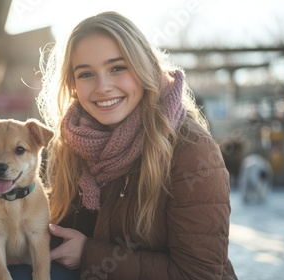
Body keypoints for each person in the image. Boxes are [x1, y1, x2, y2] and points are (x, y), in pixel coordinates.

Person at [35, 11, 238, 279]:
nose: (103, 87)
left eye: (118, 68)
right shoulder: (70, 143)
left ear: (146, 68)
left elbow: (197, 274)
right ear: (73, 84)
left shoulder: (192, 152)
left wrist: (88, 254)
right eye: (86, 74)